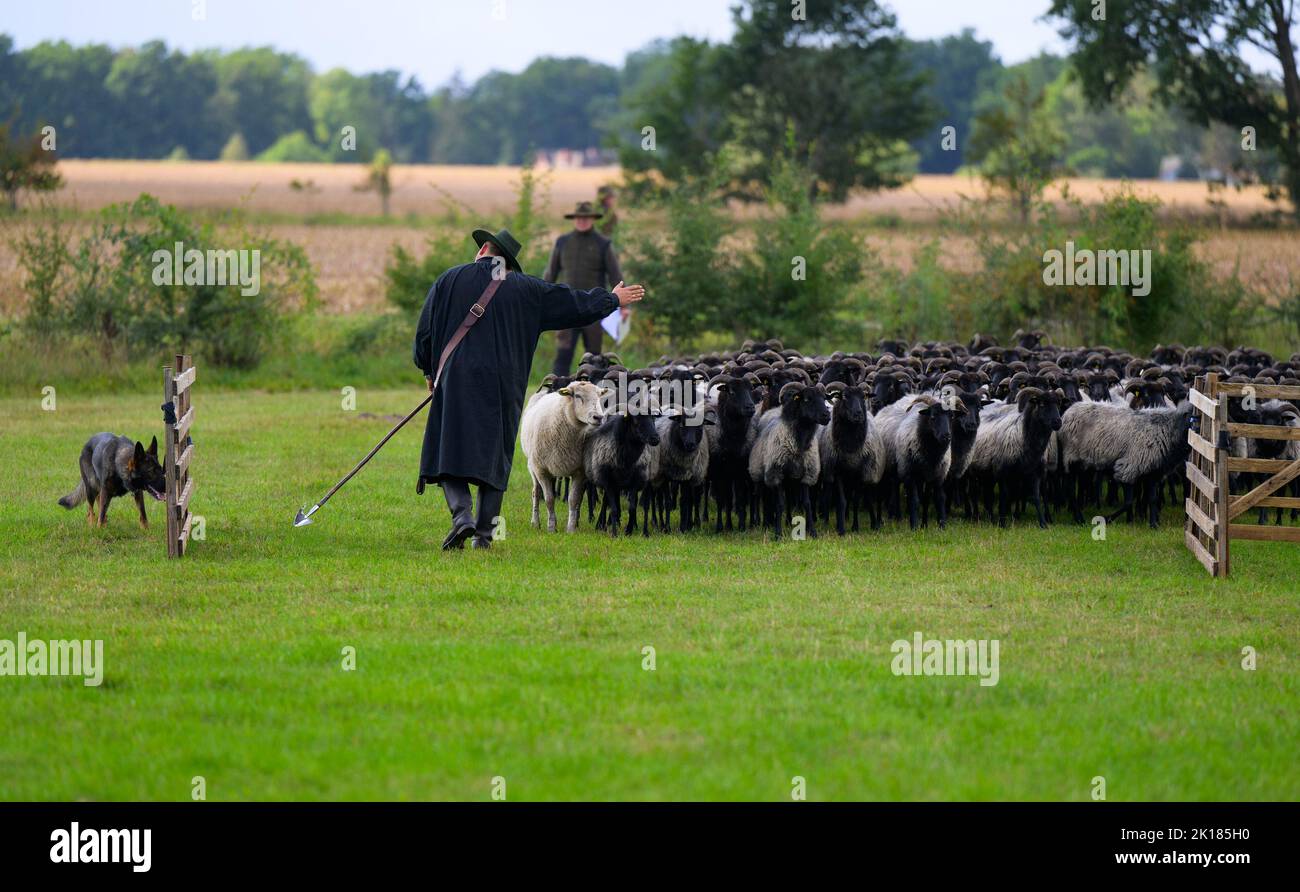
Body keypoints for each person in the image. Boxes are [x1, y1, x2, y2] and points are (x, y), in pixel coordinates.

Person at [413, 227, 644, 550]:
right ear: (507, 261)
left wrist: (428, 369)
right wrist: (611, 300)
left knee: (449, 446)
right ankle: (483, 535)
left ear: (485, 250)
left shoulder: (448, 280)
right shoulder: (528, 289)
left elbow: (425, 332)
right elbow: (573, 304)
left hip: (455, 377)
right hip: (504, 383)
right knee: (497, 454)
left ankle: (461, 516)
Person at [545, 201, 625, 376]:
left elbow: (615, 275)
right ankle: (556, 392)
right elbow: (550, 274)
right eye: (579, 218)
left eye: (586, 218)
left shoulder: (603, 244)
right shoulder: (562, 242)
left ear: (592, 219)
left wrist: (624, 306)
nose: (582, 221)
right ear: (574, 219)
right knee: (563, 354)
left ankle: (596, 394)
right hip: (566, 306)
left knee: (595, 356)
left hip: (595, 307)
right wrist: (541, 298)